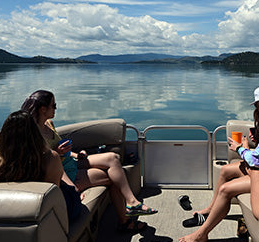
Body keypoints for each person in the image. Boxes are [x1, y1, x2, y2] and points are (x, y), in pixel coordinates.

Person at [21, 90, 157, 232]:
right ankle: (125, 221)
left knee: (112, 158)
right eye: (53, 105)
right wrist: (71, 187)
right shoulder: (33, 134)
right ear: (43, 109)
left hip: (71, 162)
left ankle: (132, 202)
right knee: (112, 178)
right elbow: (47, 163)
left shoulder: (49, 124)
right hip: (63, 173)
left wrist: (76, 154)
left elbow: (61, 150)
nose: (56, 108)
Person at [179, 85, 259, 242]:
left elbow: (256, 160)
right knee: (226, 170)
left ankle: (202, 234)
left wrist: (240, 148)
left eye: (256, 106)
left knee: (225, 190)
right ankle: (210, 209)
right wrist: (258, 140)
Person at [0, 110, 81, 218]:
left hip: (21, 214)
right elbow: (55, 199)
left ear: (4, 138)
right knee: (93, 177)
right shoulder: (50, 159)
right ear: (36, 136)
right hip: (53, 212)